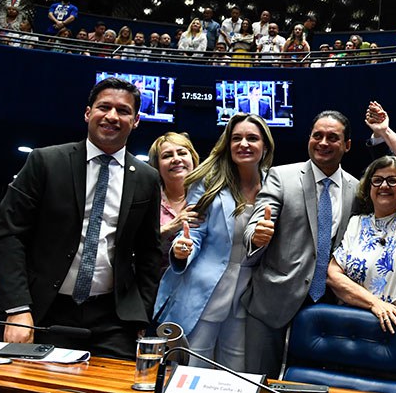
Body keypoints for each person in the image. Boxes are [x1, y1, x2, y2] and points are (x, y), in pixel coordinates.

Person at [0, 77, 161, 358]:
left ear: (137, 120)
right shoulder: (45, 161)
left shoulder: (147, 177)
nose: (112, 116)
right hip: (39, 310)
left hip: (113, 320)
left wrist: (139, 313)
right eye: (104, 107)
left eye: (123, 110)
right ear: (87, 113)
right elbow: (8, 235)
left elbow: (148, 253)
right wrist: (18, 308)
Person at [156, 114, 275, 372]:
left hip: (249, 295)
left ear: (265, 146)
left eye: (252, 138)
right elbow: (192, 233)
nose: (244, 143)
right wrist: (181, 249)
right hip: (205, 288)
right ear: (227, 144)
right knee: (192, 369)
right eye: (236, 138)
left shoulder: (275, 183)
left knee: (236, 373)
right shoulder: (208, 182)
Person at [243, 110, 358, 376]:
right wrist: (256, 235)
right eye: (317, 135)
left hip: (329, 304)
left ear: (347, 145)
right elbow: (259, 219)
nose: (323, 142)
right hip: (274, 300)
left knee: (314, 386)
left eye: (333, 137)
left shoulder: (356, 187)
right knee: (260, 383)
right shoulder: (281, 176)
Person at [328, 102, 396, 325]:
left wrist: (385, 131)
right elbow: (333, 275)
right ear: (368, 187)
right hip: (356, 322)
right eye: (378, 180)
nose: (384, 185)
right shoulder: (356, 223)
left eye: (393, 180)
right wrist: (375, 303)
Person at [148, 133, 201, 270]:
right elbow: (135, 246)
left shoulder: (210, 196)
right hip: (155, 285)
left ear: (193, 159)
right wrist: (172, 226)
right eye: (167, 156)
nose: (176, 159)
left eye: (182, 153)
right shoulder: (146, 198)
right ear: (156, 166)